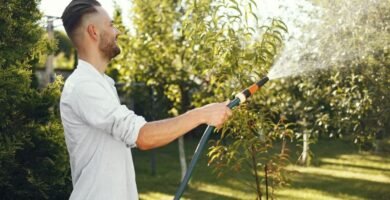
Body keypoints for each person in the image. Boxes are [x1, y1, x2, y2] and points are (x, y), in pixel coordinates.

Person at [59, 0, 232, 199]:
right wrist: (201, 114)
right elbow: (142, 137)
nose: (117, 32)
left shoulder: (102, 84)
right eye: (111, 25)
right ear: (94, 32)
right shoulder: (84, 86)